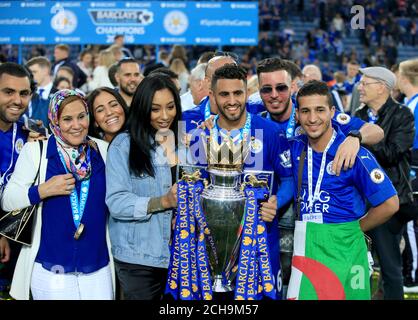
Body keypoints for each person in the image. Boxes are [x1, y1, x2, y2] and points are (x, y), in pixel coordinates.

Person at [186, 64, 294, 298]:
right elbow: (193, 188)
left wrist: (276, 201)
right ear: (212, 95)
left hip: (260, 247)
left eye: (238, 93)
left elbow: (289, 179)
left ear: (247, 93)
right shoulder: (200, 137)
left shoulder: (271, 131)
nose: (232, 100)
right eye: (224, 94)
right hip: (210, 250)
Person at [287, 80, 399, 300]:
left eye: (320, 110)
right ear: (297, 115)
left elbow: (390, 203)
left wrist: (355, 228)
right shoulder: (293, 147)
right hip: (305, 246)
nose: (312, 118)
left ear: (332, 112)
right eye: (305, 111)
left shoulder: (353, 153)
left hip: (345, 249)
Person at [1, 89, 115, 300]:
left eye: (82, 116)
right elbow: (8, 199)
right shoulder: (36, 151)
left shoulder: (104, 150)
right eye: (67, 119)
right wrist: (42, 190)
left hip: (98, 267)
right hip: (50, 269)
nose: (77, 125)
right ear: (54, 121)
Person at [105, 73, 180, 300]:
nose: (164, 116)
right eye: (155, 109)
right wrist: (163, 202)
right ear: (141, 108)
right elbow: (116, 202)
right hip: (138, 260)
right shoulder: (123, 145)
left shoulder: (187, 140)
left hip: (181, 255)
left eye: (170, 107)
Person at [355, 66, 415, 300]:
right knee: (360, 263)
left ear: (381, 87)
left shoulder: (402, 115)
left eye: (364, 83)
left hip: (390, 199)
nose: (359, 87)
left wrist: (361, 138)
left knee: (389, 265)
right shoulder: (358, 115)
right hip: (360, 200)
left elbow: (392, 153)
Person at [0, 62, 34, 297]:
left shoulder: (31, 134)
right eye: (8, 92)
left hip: (16, 238)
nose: (17, 100)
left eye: (23, 93)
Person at [397, 58, 418, 291]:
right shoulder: (410, 103)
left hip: (413, 168)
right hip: (411, 168)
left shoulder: (414, 106)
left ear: (405, 78)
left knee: (410, 224)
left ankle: (412, 275)